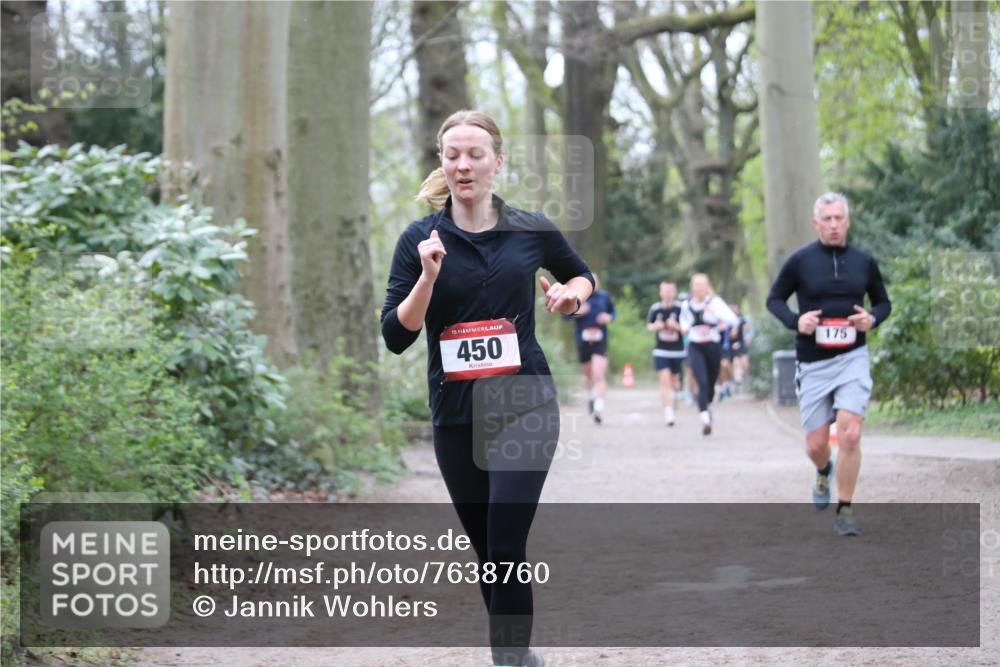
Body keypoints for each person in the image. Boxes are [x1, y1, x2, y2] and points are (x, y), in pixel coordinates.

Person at [380, 110, 595, 667]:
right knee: (489, 555)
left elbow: (582, 276)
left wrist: (570, 296)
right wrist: (427, 277)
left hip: (524, 402)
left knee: (504, 542)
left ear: (498, 162)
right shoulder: (418, 241)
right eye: (452, 155)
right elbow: (396, 336)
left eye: (475, 154)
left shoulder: (532, 229)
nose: (462, 165)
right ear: (442, 164)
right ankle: (518, 656)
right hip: (456, 413)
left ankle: (506, 661)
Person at [766, 192, 891, 536]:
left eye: (839, 218)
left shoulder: (864, 261)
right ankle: (823, 471)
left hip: (853, 357)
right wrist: (796, 321)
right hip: (813, 362)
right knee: (816, 446)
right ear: (816, 223)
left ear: (847, 221)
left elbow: (883, 303)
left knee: (850, 434)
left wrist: (872, 319)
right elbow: (774, 299)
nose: (834, 225)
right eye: (827, 219)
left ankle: (845, 509)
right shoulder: (800, 261)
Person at [679, 274, 739, 435]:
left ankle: (707, 404)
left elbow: (733, 320)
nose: (699, 288)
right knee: (702, 382)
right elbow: (683, 322)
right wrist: (684, 328)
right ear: (692, 287)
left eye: (702, 285)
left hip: (712, 346)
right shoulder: (686, 305)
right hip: (695, 346)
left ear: (707, 286)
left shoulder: (715, 302)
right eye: (696, 285)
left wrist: (715, 313)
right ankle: (705, 419)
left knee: (711, 385)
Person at [569, 289, 616, 424]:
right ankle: (591, 396)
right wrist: (578, 311)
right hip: (582, 342)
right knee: (588, 375)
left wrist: (609, 317)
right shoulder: (577, 295)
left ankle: (598, 409)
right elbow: (565, 316)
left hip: (600, 341)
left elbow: (613, 313)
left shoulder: (604, 296)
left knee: (599, 374)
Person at [646, 281, 685, 426]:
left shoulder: (681, 309)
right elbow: (649, 326)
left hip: (677, 351)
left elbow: (687, 328)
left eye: (670, 291)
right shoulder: (655, 309)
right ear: (660, 292)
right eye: (665, 291)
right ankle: (668, 413)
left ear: (674, 292)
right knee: (664, 381)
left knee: (675, 382)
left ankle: (675, 396)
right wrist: (656, 326)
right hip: (661, 350)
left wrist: (677, 327)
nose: (667, 294)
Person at [728, 303, 751, 388]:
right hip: (732, 345)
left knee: (745, 363)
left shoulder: (742, 320)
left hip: (741, 344)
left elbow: (747, 330)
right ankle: (737, 379)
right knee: (736, 362)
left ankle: (744, 376)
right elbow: (730, 335)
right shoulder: (728, 321)